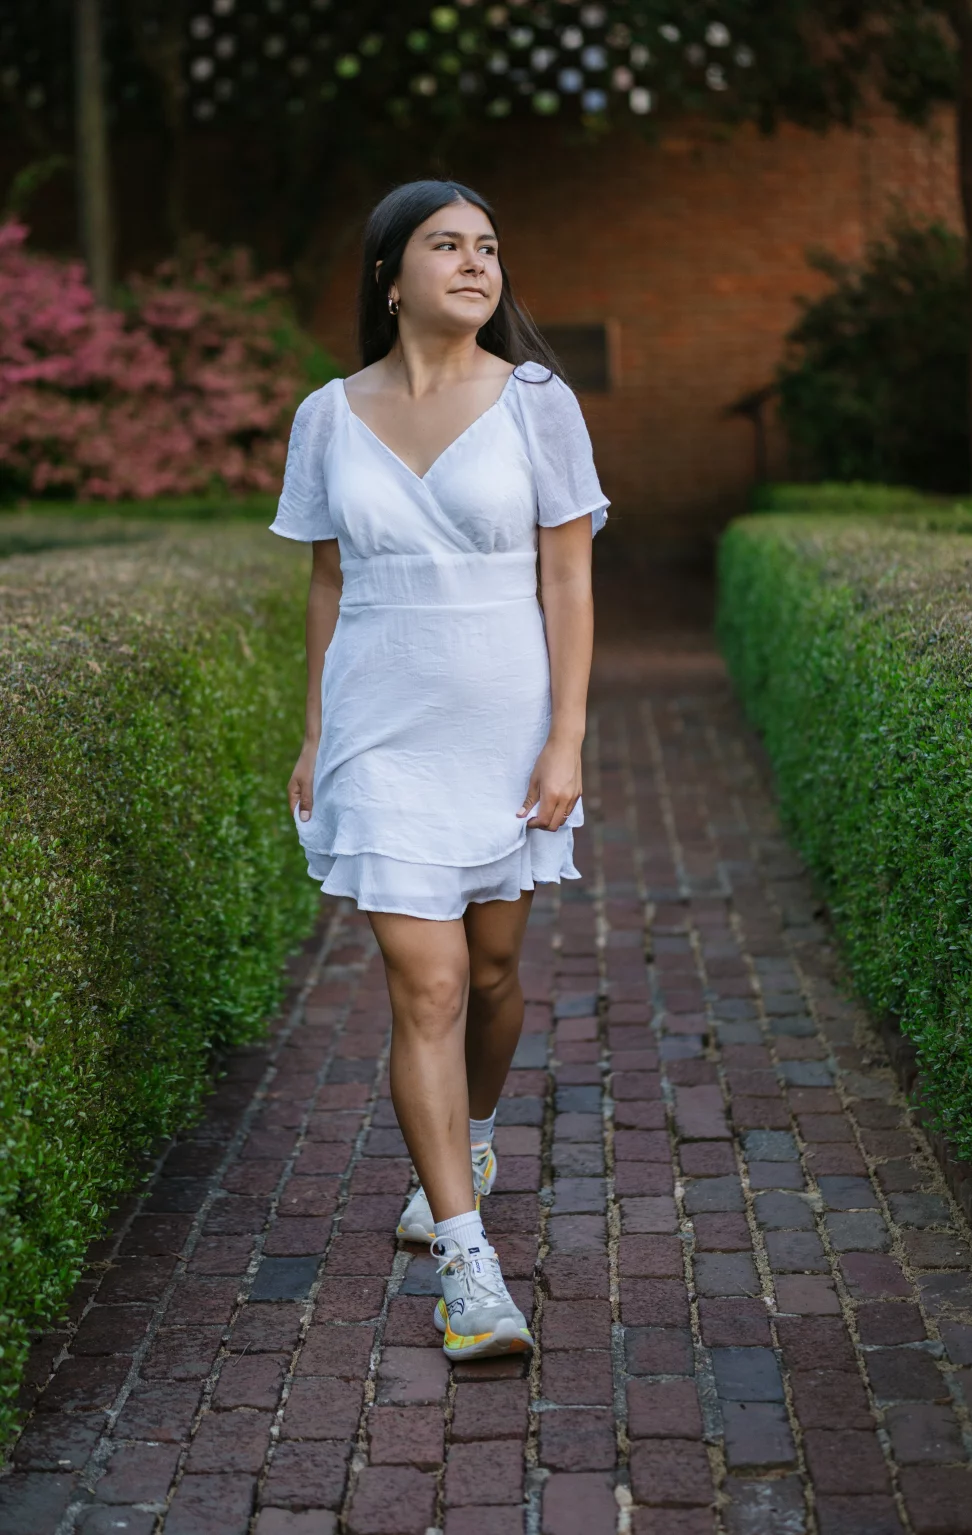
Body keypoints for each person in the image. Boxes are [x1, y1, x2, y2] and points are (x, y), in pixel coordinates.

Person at [270, 179, 607, 1360]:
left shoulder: (536, 403)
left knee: (496, 969)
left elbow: (566, 578)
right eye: (446, 245)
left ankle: (472, 1129)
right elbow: (325, 580)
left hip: (505, 723)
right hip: (380, 728)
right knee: (429, 984)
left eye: (488, 247)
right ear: (388, 273)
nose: (476, 263)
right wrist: (315, 729)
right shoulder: (327, 414)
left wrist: (564, 735)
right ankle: (470, 1273)